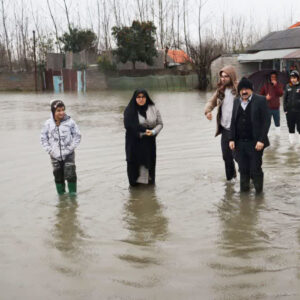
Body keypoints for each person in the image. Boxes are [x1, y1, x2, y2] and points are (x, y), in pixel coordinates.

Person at [229, 77, 270, 193]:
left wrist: (261, 140)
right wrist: (231, 139)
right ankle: (244, 197)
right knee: (243, 169)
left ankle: (259, 195)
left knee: (255, 169)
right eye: (241, 89)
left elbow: (266, 121)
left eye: (246, 89)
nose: (244, 91)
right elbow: (233, 121)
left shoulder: (261, 100)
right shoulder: (236, 101)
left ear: (251, 89)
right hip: (240, 143)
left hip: (256, 143)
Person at [40, 100, 81, 195]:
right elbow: (43, 139)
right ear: (53, 111)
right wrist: (50, 150)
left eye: (63, 110)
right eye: (58, 110)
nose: (61, 112)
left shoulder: (70, 122)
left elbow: (77, 136)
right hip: (54, 156)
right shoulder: (48, 124)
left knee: (71, 176)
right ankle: (61, 200)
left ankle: (73, 198)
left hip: (69, 155)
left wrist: (71, 148)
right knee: (58, 177)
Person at [204, 65, 238, 181]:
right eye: (221, 76)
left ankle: (248, 178)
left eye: (226, 76)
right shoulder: (220, 90)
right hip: (225, 130)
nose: (223, 79)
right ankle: (231, 180)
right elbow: (211, 102)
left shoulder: (239, 90)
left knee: (239, 157)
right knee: (226, 157)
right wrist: (208, 111)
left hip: (238, 130)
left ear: (232, 77)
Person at [124, 89, 163, 186]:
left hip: (149, 143)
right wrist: (145, 131)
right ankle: (134, 193)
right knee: (135, 167)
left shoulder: (153, 108)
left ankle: (149, 191)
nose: (141, 99)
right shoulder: (130, 110)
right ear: (135, 98)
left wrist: (153, 131)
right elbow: (129, 126)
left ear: (146, 98)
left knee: (149, 165)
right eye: (138, 97)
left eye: (143, 97)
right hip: (134, 143)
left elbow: (160, 123)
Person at [260, 71, 283, 135]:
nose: (273, 78)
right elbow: (260, 95)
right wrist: (265, 98)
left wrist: (275, 86)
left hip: (276, 108)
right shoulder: (265, 85)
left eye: (274, 77)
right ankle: (266, 136)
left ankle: (278, 137)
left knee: (277, 123)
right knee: (267, 123)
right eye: (272, 77)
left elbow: (281, 94)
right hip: (267, 108)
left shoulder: (279, 85)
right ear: (269, 78)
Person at [283, 70, 300, 145]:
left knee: (299, 128)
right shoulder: (287, 86)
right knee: (290, 128)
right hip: (289, 112)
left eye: (294, 78)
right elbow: (284, 99)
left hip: (298, 112)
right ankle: (292, 145)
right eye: (291, 78)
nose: (292, 79)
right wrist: (285, 109)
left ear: (298, 78)